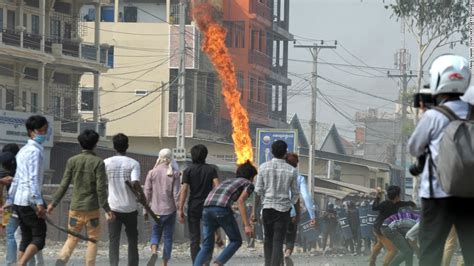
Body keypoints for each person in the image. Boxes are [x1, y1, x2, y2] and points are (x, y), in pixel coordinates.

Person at [408, 54, 474, 266]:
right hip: (470, 194)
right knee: (471, 249)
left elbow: (414, 147)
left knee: (431, 249)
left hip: (437, 195)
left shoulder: (434, 116)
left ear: (437, 79)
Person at [48, 129, 114, 266]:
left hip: (75, 208)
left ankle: (61, 261)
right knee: (92, 240)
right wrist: (107, 209)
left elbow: (64, 184)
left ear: (80, 144)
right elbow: (101, 189)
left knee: (71, 238)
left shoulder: (72, 161)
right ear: (95, 144)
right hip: (92, 209)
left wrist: (53, 203)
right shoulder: (98, 162)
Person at [3, 116, 49, 266]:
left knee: (26, 237)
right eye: (41, 130)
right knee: (39, 238)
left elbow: (16, 178)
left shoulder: (22, 151)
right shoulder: (35, 152)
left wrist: (10, 200)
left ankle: (20, 263)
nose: (44, 133)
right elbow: (33, 179)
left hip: (18, 201)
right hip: (29, 201)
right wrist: (39, 202)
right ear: (31, 132)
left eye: (45, 130)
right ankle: (21, 263)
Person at [193, 161, 257, 266]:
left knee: (207, 246)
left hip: (206, 208)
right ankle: (217, 264)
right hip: (221, 209)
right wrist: (247, 225)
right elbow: (241, 201)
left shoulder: (227, 181)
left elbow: (220, 201)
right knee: (236, 241)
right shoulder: (248, 183)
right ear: (251, 177)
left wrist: (218, 234)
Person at [254, 140, 299, 266]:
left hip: (267, 209)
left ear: (272, 152)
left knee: (267, 239)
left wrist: (254, 211)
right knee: (278, 241)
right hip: (283, 210)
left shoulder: (263, 167)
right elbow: (296, 194)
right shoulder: (292, 170)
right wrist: (294, 209)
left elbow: (258, 191)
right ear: (285, 153)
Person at [177, 144, 219, 264]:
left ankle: (196, 262)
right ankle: (206, 261)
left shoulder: (188, 170)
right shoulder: (211, 170)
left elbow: (184, 190)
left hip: (194, 206)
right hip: (208, 206)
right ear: (205, 155)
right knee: (208, 236)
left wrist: (180, 209)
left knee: (194, 239)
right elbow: (217, 186)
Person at [104, 133, 141, 266]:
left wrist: (105, 208)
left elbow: (102, 186)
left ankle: (113, 264)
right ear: (127, 146)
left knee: (114, 240)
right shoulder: (133, 163)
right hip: (130, 208)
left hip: (113, 208)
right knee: (132, 240)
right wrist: (143, 197)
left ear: (114, 147)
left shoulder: (106, 163)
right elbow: (135, 183)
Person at [144, 148, 181, 266]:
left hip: (155, 210)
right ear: (171, 158)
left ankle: (154, 251)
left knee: (155, 233)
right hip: (170, 211)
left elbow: (147, 193)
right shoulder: (174, 173)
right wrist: (179, 210)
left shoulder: (152, 172)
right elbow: (176, 194)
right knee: (168, 237)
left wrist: (145, 210)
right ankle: (164, 263)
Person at [369, 186, 415, 266]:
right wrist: (377, 197)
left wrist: (412, 203)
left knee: (380, 243)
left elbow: (407, 203)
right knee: (392, 250)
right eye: (399, 195)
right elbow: (374, 208)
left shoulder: (397, 203)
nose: (400, 197)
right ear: (397, 197)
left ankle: (372, 262)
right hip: (380, 228)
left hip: (382, 227)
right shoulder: (385, 203)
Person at [283, 153, 316, 260]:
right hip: (292, 213)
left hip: (274, 211)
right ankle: (287, 252)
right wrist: (312, 216)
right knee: (290, 237)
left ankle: (276, 256)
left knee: (276, 237)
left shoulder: (276, 174)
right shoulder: (299, 178)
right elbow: (306, 196)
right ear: (296, 164)